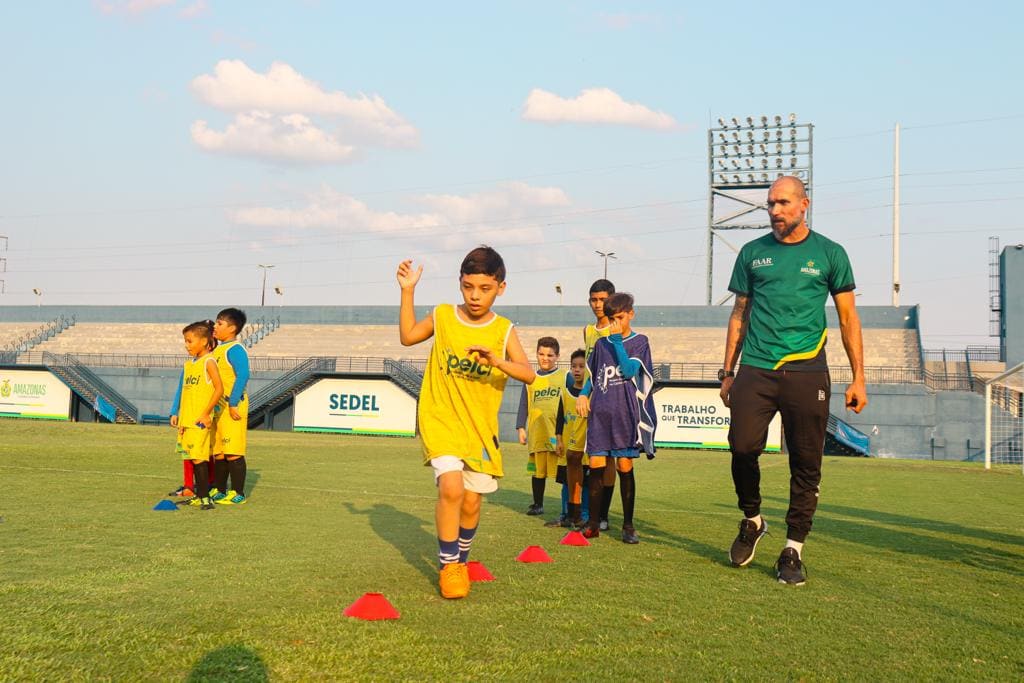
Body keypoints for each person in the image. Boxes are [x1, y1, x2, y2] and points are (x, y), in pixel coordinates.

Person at [720, 175, 867, 586]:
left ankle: (793, 550)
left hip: (807, 371)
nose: (775, 211)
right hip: (756, 367)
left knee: (806, 463)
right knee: (742, 447)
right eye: (770, 204)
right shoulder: (752, 253)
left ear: (805, 204)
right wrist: (728, 372)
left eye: (783, 203)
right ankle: (752, 519)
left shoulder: (830, 254)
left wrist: (859, 378)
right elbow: (739, 314)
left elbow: (848, 319)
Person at [397, 246, 535, 600]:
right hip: (440, 417)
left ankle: (462, 558)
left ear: (500, 288)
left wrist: (498, 362)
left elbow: (528, 374)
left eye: (484, 288)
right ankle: (450, 567)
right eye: (468, 286)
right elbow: (408, 336)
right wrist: (408, 290)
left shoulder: (503, 330)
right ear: (460, 283)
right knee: (451, 490)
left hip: (480, 430)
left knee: (472, 503)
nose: (475, 296)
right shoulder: (443, 316)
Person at [577, 293, 656, 543]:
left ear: (631, 314)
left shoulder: (639, 342)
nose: (616, 323)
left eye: (620, 317)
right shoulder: (601, 345)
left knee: (624, 465)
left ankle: (628, 526)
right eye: (612, 318)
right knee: (597, 465)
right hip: (601, 413)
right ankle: (593, 523)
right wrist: (582, 394)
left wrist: (617, 342)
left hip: (625, 413)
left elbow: (630, 370)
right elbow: (593, 374)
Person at [169, 320, 223, 510]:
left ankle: (205, 497)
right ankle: (198, 495)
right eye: (185, 341)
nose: (186, 345)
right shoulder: (190, 364)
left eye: (190, 341)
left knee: (200, 458)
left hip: (200, 421)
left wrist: (207, 413)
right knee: (191, 456)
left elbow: (219, 389)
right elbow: (185, 392)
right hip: (187, 420)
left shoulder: (209, 362)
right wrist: (178, 414)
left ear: (204, 341)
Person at [516, 337, 563, 519]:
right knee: (537, 472)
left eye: (550, 355)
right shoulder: (530, 378)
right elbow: (523, 404)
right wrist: (521, 427)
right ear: (537, 354)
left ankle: (569, 507)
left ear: (557, 356)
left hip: (557, 434)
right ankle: (538, 504)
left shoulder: (564, 376)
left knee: (563, 471)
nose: (546, 358)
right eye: (542, 354)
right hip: (537, 432)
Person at [583, 279, 618, 530]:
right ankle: (579, 513)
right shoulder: (588, 330)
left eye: (603, 299)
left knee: (612, 461)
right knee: (583, 459)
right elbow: (589, 370)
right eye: (594, 299)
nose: (598, 304)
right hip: (588, 403)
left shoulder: (617, 330)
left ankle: (603, 515)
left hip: (612, 403)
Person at [210, 307, 251, 505]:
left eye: (220, 323)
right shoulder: (217, 350)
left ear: (232, 328)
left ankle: (238, 493)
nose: (215, 327)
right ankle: (219, 489)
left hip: (232, 406)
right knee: (219, 452)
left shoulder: (235, 349)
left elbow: (243, 375)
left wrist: (233, 403)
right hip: (218, 408)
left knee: (233, 450)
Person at [555, 348, 590, 528]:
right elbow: (560, 418)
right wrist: (559, 440)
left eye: (581, 366)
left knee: (585, 483)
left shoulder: (590, 395)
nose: (577, 370)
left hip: (585, 451)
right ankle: (565, 515)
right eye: (574, 366)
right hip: (568, 448)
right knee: (566, 483)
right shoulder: (565, 392)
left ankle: (584, 515)